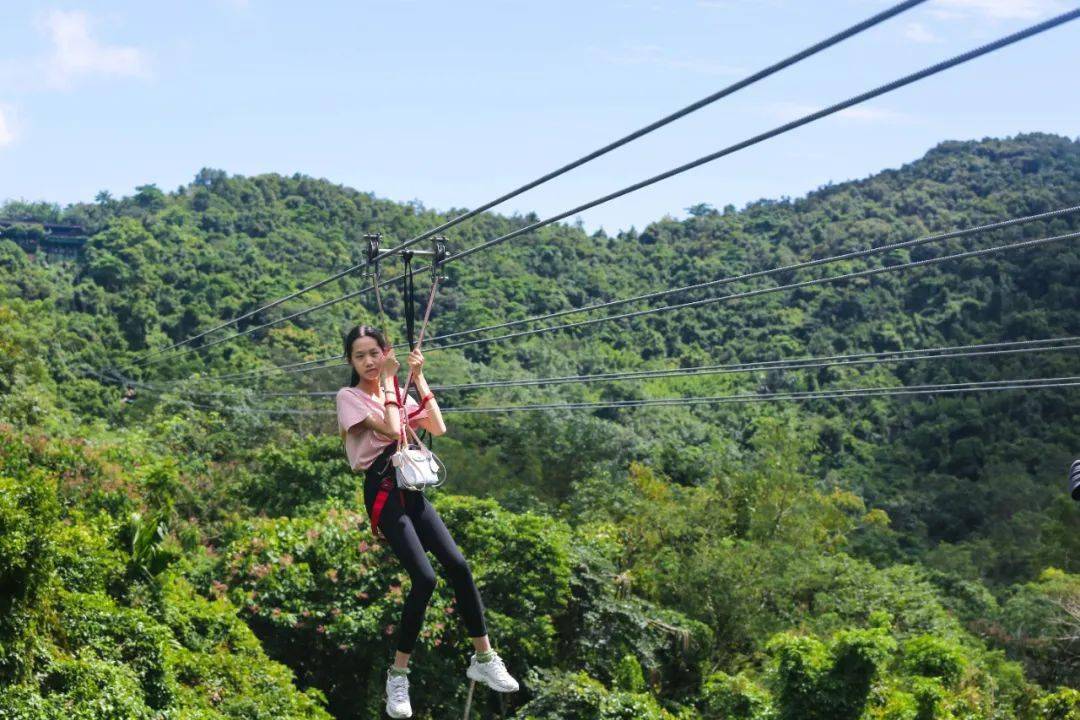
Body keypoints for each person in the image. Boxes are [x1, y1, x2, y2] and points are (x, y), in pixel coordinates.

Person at [335, 324, 519, 719]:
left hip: (411, 487)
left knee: (457, 565)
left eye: (374, 353)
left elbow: (437, 425)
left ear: (386, 352)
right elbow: (389, 428)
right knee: (425, 578)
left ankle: (484, 657)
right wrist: (389, 381)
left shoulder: (395, 392)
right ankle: (398, 675)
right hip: (383, 490)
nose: (368, 361)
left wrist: (417, 377)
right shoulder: (349, 398)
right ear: (350, 362)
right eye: (360, 356)